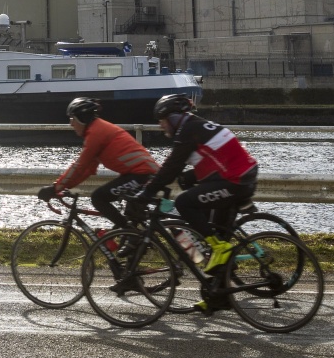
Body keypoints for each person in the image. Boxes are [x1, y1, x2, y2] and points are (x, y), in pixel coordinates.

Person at [136, 92, 258, 278]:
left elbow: (172, 166)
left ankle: (218, 247)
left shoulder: (188, 131)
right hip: (238, 176)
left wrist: (148, 191)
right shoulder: (197, 125)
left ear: (175, 118)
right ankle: (221, 283)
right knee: (188, 185)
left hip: (234, 180)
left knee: (183, 203)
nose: (161, 125)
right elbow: (197, 164)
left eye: (163, 120)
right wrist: (176, 180)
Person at [35, 96, 158, 228]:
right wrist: (63, 187)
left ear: (81, 118)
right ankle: (130, 237)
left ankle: (129, 233)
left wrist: (55, 187)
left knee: (98, 198)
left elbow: (79, 166)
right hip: (139, 174)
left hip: (140, 174)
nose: (71, 123)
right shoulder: (97, 129)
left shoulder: (96, 133)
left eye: (72, 118)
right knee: (128, 218)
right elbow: (87, 169)